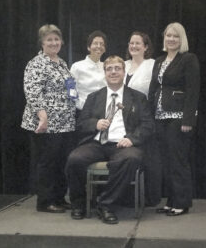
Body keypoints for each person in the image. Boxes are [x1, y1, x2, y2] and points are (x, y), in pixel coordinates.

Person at [65, 55, 154, 224]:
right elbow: (81, 124)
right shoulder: (94, 97)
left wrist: (132, 139)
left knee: (131, 158)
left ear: (124, 71)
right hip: (96, 143)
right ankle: (79, 204)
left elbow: (148, 125)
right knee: (75, 159)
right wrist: (95, 123)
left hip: (123, 144)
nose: (113, 72)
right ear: (104, 73)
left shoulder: (138, 97)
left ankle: (105, 205)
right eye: (109, 69)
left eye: (117, 69)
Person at [21, 24, 76, 213]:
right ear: (42, 42)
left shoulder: (61, 63)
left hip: (65, 123)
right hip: (46, 124)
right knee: (47, 163)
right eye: (49, 40)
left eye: (56, 39)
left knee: (61, 162)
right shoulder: (36, 63)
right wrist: (42, 116)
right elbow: (33, 92)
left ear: (61, 41)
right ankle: (45, 201)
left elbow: (70, 90)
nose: (54, 43)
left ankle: (59, 198)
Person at [148, 22, 200, 216]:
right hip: (160, 116)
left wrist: (188, 120)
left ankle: (182, 202)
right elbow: (154, 88)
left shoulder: (188, 59)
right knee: (167, 161)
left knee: (178, 160)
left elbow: (193, 91)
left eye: (175, 36)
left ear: (182, 39)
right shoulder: (159, 60)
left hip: (178, 117)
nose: (171, 39)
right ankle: (171, 201)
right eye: (168, 35)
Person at [70, 30, 107, 116]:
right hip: (82, 112)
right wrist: (80, 105)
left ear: (104, 49)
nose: (99, 46)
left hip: (103, 113)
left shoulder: (107, 66)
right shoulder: (77, 66)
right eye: (95, 43)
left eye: (101, 44)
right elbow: (70, 90)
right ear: (89, 47)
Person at [124, 31, 155, 97]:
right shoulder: (123, 65)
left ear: (146, 47)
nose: (134, 46)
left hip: (143, 106)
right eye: (131, 43)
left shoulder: (153, 65)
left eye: (137, 43)